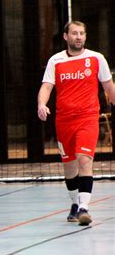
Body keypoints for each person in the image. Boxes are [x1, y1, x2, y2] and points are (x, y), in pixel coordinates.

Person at [37, 21, 114, 226]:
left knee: (84, 159)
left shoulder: (97, 59)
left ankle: (84, 208)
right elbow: (46, 86)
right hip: (64, 120)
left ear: (85, 37)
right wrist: (41, 105)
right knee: (69, 167)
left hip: (88, 117)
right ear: (65, 37)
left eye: (82, 33)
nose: (78, 37)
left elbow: (109, 87)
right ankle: (74, 204)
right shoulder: (56, 60)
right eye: (74, 33)